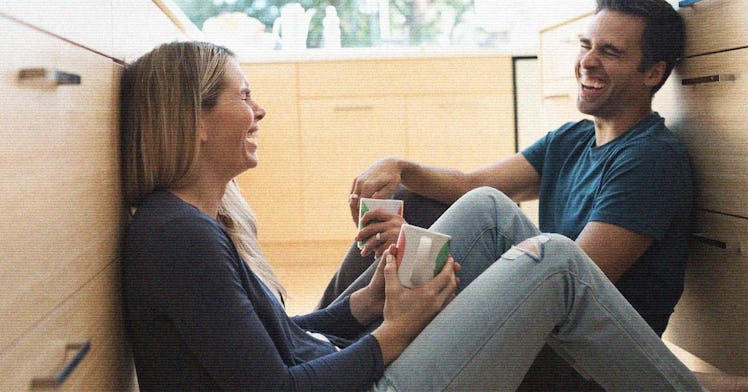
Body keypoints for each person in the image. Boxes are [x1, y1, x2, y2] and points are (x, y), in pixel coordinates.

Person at [119, 41, 704, 390]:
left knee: (483, 208)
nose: (259, 110)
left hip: (339, 369)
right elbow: (279, 387)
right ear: (194, 121)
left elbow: (278, 343)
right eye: (243, 96)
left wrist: (366, 303)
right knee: (554, 260)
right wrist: (398, 331)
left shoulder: (192, 222)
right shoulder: (179, 239)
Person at [326, 0, 693, 388]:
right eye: (586, 45)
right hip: (538, 326)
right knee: (415, 199)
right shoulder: (572, 139)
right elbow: (468, 185)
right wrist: (398, 166)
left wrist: (417, 250)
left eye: (610, 52)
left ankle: (334, 352)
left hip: (579, 358)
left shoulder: (650, 160)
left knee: (482, 222)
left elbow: (566, 282)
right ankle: (322, 342)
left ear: (653, 72)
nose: (587, 61)